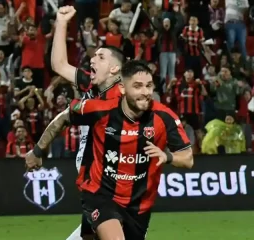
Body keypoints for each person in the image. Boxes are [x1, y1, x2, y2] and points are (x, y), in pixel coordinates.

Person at [65, 60, 193, 240]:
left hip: (138, 205)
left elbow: (188, 159)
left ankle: (88, 229)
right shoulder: (103, 109)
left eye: (149, 86)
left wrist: (167, 156)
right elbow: (65, 116)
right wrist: (38, 150)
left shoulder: (163, 117)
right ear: (123, 88)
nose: (145, 92)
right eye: (138, 86)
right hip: (100, 193)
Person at [26, 6, 124, 240]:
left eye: (100, 57)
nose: (92, 59)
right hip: (91, 176)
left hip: (112, 183)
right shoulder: (91, 84)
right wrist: (61, 23)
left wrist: (39, 149)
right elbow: (59, 64)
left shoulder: (122, 100)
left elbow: (63, 119)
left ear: (114, 68)